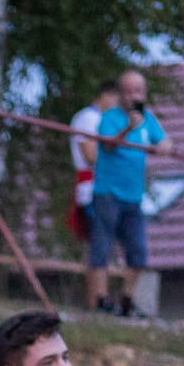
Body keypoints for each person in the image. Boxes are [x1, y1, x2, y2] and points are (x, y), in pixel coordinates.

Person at [86, 67, 170, 318]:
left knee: (138, 252)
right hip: (108, 193)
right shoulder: (109, 117)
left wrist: (164, 147)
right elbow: (108, 146)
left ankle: (126, 300)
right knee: (102, 247)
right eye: (130, 91)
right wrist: (127, 130)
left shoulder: (148, 118)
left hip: (134, 196)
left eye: (139, 91)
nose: (135, 96)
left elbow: (164, 141)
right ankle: (101, 300)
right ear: (121, 94)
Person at [69, 77, 121, 265]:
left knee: (102, 243)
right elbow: (90, 156)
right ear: (106, 96)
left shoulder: (102, 120)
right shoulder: (88, 118)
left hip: (104, 188)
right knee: (99, 243)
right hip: (92, 189)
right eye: (116, 100)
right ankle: (95, 293)